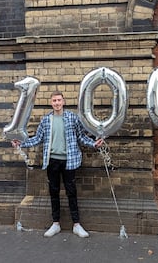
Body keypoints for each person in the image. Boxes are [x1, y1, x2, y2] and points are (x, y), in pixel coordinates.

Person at [12, 91, 104, 238]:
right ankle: (55, 224)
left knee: (71, 192)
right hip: (52, 161)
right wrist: (21, 143)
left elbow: (81, 137)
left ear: (63, 102)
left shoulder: (72, 118)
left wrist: (94, 144)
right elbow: (37, 138)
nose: (56, 103)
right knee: (54, 193)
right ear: (51, 103)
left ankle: (76, 224)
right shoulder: (46, 120)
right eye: (54, 100)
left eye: (59, 100)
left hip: (69, 161)